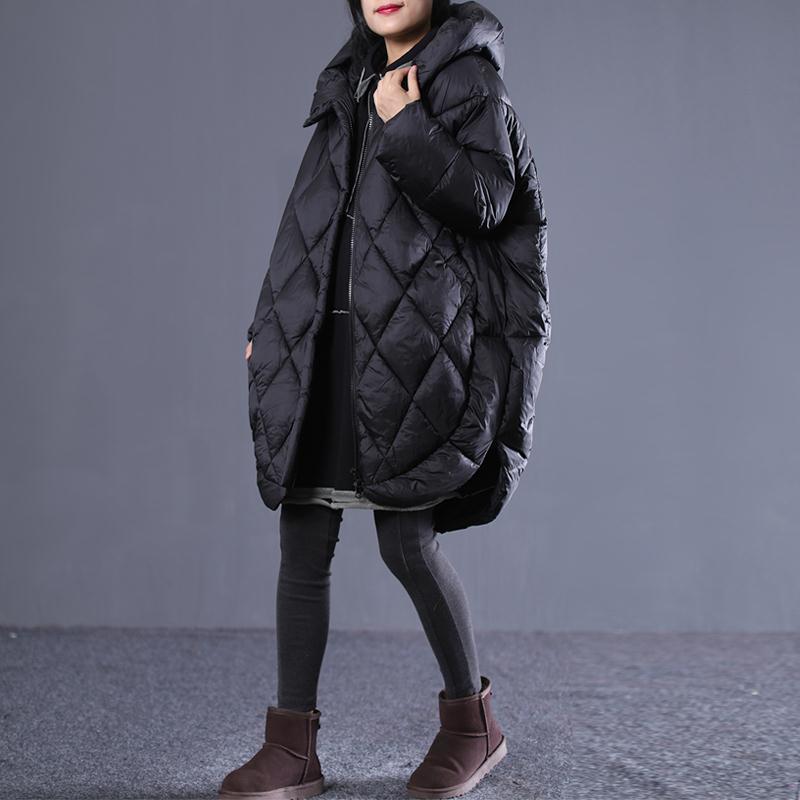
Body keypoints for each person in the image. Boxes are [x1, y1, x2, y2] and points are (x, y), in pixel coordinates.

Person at [223, 0, 549, 797]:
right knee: (302, 539)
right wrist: (273, 326)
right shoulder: (348, 83)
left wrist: (407, 125)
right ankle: (292, 749)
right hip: (326, 350)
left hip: (410, 352)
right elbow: (307, 228)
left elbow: (487, 202)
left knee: (407, 540)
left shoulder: (469, 82)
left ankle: (472, 727)